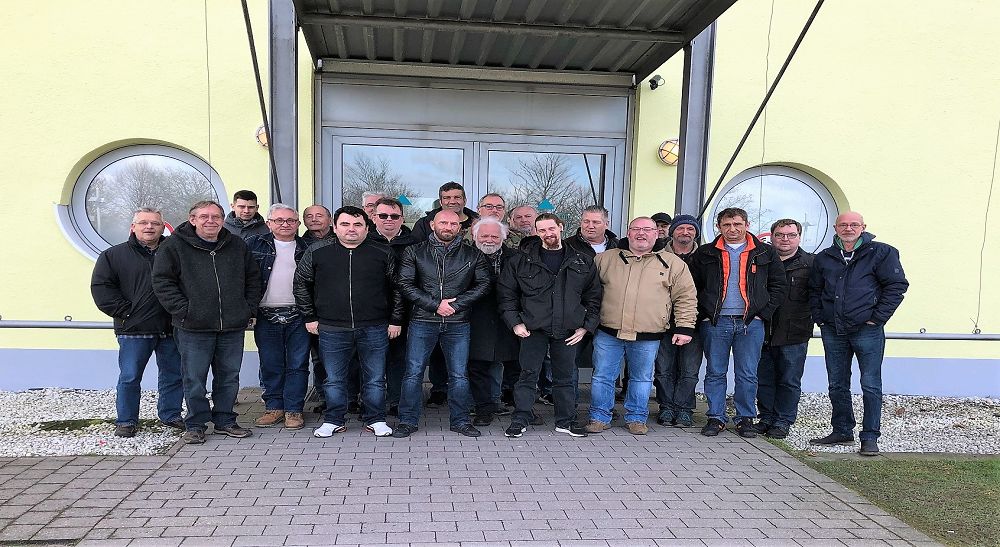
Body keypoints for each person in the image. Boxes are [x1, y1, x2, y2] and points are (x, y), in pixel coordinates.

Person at [152, 200, 262, 444]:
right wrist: (185, 311)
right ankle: (195, 424)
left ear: (223, 219)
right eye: (204, 216)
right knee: (194, 378)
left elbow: (253, 278)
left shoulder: (236, 245)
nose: (210, 221)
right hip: (193, 327)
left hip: (231, 325)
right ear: (193, 219)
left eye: (216, 217)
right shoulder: (174, 246)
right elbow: (162, 282)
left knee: (229, 376)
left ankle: (225, 420)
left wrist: (247, 308)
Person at [293, 206, 403, 438]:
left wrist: (395, 319)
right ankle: (333, 420)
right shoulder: (317, 251)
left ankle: (376, 418)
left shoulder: (382, 252)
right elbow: (301, 284)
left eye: (357, 224)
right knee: (333, 379)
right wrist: (309, 316)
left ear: (366, 228)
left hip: (375, 326)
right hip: (331, 327)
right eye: (345, 224)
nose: (351, 229)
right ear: (335, 227)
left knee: (375, 378)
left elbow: (397, 289)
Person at [808, 212, 908, 456]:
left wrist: (877, 318)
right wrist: (821, 318)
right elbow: (814, 290)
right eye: (843, 225)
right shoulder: (825, 257)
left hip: (867, 329)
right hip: (833, 330)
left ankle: (870, 436)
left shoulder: (881, 253)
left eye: (854, 225)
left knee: (870, 384)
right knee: (837, 383)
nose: (848, 228)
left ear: (863, 227)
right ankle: (842, 430)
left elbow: (896, 286)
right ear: (835, 228)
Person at [586, 217, 697, 435]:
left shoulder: (673, 263)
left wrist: (684, 327)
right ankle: (599, 416)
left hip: (648, 335)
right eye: (636, 229)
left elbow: (686, 297)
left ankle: (637, 418)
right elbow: (588, 292)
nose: (641, 233)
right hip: (608, 331)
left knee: (642, 378)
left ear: (657, 233)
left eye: (647, 229)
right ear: (628, 233)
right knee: (602, 376)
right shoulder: (605, 259)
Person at [498, 213, 602, 438]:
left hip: (568, 330)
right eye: (542, 230)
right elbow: (507, 296)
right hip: (532, 329)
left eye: (551, 228)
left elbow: (594, 298)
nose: (548, 233)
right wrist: (515, 323)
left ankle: (566, 421)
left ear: (561, 227)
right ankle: (521, 418)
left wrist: (586, 327)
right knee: (527, 375)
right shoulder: (520, 261)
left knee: (565, 378)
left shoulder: (582, 260)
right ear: (536, 232)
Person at [689, 207, 786, 438]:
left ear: (747, 225)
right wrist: (704, 313)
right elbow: (692, 287)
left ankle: (745, 418)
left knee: (747, 374)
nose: (732, 229)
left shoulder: (765, 252)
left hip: (750, 323)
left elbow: (778, 286)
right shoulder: (705, 253)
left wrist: (763, 314)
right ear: (719, 227)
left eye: (737, 224)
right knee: (715, 372)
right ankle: (716, 417)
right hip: (715, 322)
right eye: (726, 225)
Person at [393, 210, 491, 438]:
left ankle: (461, 421)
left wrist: (455, 305)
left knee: (458, 374)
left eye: (453, 223)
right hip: (422, 320)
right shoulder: (414, 251)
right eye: (443, 222)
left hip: (458, 322)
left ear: (460, 227)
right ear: (432, 225)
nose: (448, 227)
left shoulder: (473, 254)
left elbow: (483, 284)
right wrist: (435, 305)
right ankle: (407, 421)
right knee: (413, 372)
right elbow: (405, 283)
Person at [91, 207, 184, 438]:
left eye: (155, 223)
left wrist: (183, 312)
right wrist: (127, 313)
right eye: (143, 223)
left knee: (174, 375)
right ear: (133, 227)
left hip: (171, 327)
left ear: (163, 227)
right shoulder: (113, 255)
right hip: (134, 329)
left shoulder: (175, 253)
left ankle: (171, 415)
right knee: (130, 377)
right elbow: (102, 289)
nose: (149, 227)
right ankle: (126, 421)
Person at [245, 204, 310, 431]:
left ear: (298, 224)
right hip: (265, 314)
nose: (285, 224)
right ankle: (274, 407)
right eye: (279, 220)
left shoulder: (308, 247)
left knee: (298, 364)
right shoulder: (253, 245)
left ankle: (294, 409)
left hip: (299, 314)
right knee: (271, 363)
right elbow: (244, 278)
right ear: (269, 223)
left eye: (291, 220)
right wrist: (248, 311)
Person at [753, 219, 814, 439]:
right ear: (772, 237)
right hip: (762, 329)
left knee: (789, 380)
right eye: (779, 235)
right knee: (764, 378)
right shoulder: (761, 260)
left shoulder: (811, 264)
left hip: (794, 332)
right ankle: (766, 417)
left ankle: (783, 421)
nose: (785, 239)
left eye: (791, 235)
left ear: (799, 237)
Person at [468, 217, 520, 427]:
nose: (489, 240)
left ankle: (523, 409)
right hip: (475, 318)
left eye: (494, 236)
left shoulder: (516, 257)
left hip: (510, 319)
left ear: (503, 237)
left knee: (516, 367)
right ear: (475, 236)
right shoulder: (464, 256)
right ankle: (483, 409)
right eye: (484, 236)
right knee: (477, 367)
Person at [367, 197, 417, 416]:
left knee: (399, 359)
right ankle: (369, 403)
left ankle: (396, 400)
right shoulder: (364, 242)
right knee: (369, 360)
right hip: (370, 311)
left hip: (406, 311)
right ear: (373, 217)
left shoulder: (413, 243)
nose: (389, 219)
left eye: (394, 216)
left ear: (402, 219)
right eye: (383, 215)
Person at [653, 213, 704, 427]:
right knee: (663, 369)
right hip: (662, 322)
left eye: (690, 229)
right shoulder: (657, 256)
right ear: (672, 232)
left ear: (696, 233)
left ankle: (684, 409)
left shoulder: (704, 257)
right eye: (681, 228)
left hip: (694, 323)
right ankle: (666, 407)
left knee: (689, 370)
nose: (685, 232)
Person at [300, 204, 335, 412]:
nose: (314, 219)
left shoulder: (341, 240)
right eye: (309, 216)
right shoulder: (299, 244)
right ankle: (325, 398)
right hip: (311, 310)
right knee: (319, 358)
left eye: (319, 215)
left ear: (330, 220)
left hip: (337, 309)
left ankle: (350, 398)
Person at [409, 181, 479, 243]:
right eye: (447, 198)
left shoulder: (478, 223)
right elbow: (415, 250)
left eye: (457, 197)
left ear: (465, 201)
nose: (452, 202)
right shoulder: (424, 224)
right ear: (440, 202)